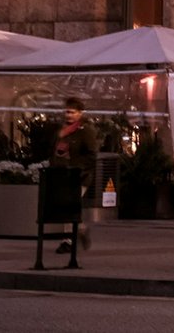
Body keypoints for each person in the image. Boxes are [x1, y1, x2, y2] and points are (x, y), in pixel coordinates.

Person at [49, 105, 99, 252]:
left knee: (69, 205)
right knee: (68, 206)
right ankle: (81, 230)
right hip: (64, 175)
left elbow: (91, 155)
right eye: (67, 112)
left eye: (72, 112)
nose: (69, 115)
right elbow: (55, 151)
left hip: (80, 176)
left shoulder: (85, 131)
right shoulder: (62, 131)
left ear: (80, 113)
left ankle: (68, 240)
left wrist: (79, 168)